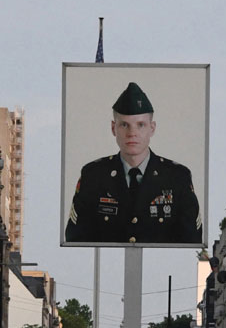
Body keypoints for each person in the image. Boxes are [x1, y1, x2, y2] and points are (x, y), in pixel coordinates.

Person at [64, 82, 202, 245]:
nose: (132, 133)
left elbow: (191, 240)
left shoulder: (177, 177)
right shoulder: (93, 176)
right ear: (113, 128)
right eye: (124, 125)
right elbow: (76, 239)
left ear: (152, 128)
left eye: (140, 125)